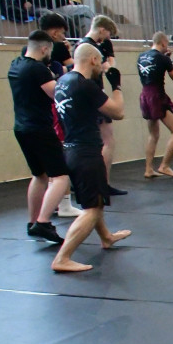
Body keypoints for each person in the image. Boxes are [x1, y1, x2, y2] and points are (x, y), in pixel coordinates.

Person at [50, 44, 130, 273]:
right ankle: (63, 257)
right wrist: (116, 85)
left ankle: (106, 237)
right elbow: (118, 112)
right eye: (101, 61)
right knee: (92, 209)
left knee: (94, 200)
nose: (102, 66)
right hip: (85, 152)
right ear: (94, 60)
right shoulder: (84, 85)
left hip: (71, 150)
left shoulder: (63, 82)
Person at [9, 29, 69, 245]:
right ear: (45, 48)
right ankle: (43, 222)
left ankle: (33, 222)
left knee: (39, 175)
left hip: (21, 128)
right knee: (61, 176)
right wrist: (66, 75)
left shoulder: (16, 64)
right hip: (40, 129)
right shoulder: (38, 70)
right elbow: (57, 94)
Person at [39, 12, 80, 217]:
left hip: (40, 113)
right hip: (53, 108)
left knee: (43, 169)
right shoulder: (52, 48)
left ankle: (55, 202)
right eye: (62, 33)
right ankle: (63, 204)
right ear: (55, 32)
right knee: (59, 157)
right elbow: (73, 68)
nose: (63, 37)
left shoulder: (30, 56)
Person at [76, 15, 124, 195]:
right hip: (93, 95)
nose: (107, 38)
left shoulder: (84, 45)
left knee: (100, 140)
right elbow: (108, 68)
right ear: (102, 30)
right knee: (107, 140)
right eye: (107, 34)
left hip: (89, 95)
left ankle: (100, 183)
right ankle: (102, 183)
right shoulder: (90, 47)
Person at [138, 31, 173, 178]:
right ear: (163, 43)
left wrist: (166, 60)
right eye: (167, 44)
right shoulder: (162, 59)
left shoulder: (141, 56)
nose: (167, 47)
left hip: (145, 95)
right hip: (157, 96)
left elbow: (153, 70)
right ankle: (164, 166)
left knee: (153, 134)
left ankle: (148, 169)